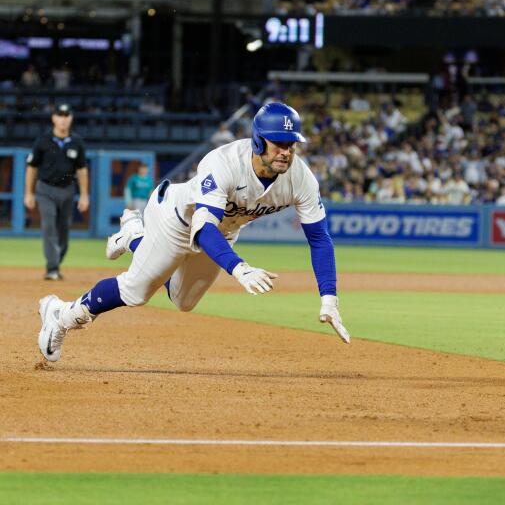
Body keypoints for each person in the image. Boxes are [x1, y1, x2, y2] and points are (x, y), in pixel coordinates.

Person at [37, 102, 349, 363]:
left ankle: (134, 237)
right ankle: (62, 315)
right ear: (258, 141)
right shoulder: (223, 163)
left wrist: (329, 299)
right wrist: (238, 268)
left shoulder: (301, 178)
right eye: (278, 142)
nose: (286, 151)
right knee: (137, 291)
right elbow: (201, 227)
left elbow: (320, 238)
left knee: (183, 302)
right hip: (176, 220)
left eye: (291, 144)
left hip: (220, 234)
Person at [24, 104, 89, 280]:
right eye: (60, 115)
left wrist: (84, 195)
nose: (63, 119)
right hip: (45, 189)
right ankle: (52, 267)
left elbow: (82, 170)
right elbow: (32, 168)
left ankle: (55, 262)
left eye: (66, 115)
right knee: (49, 225)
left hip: (67, 190)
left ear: (71, 118)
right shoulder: (43, 140)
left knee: (64, 231)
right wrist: (28, 193)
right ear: (53, 118)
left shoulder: (77, 142)